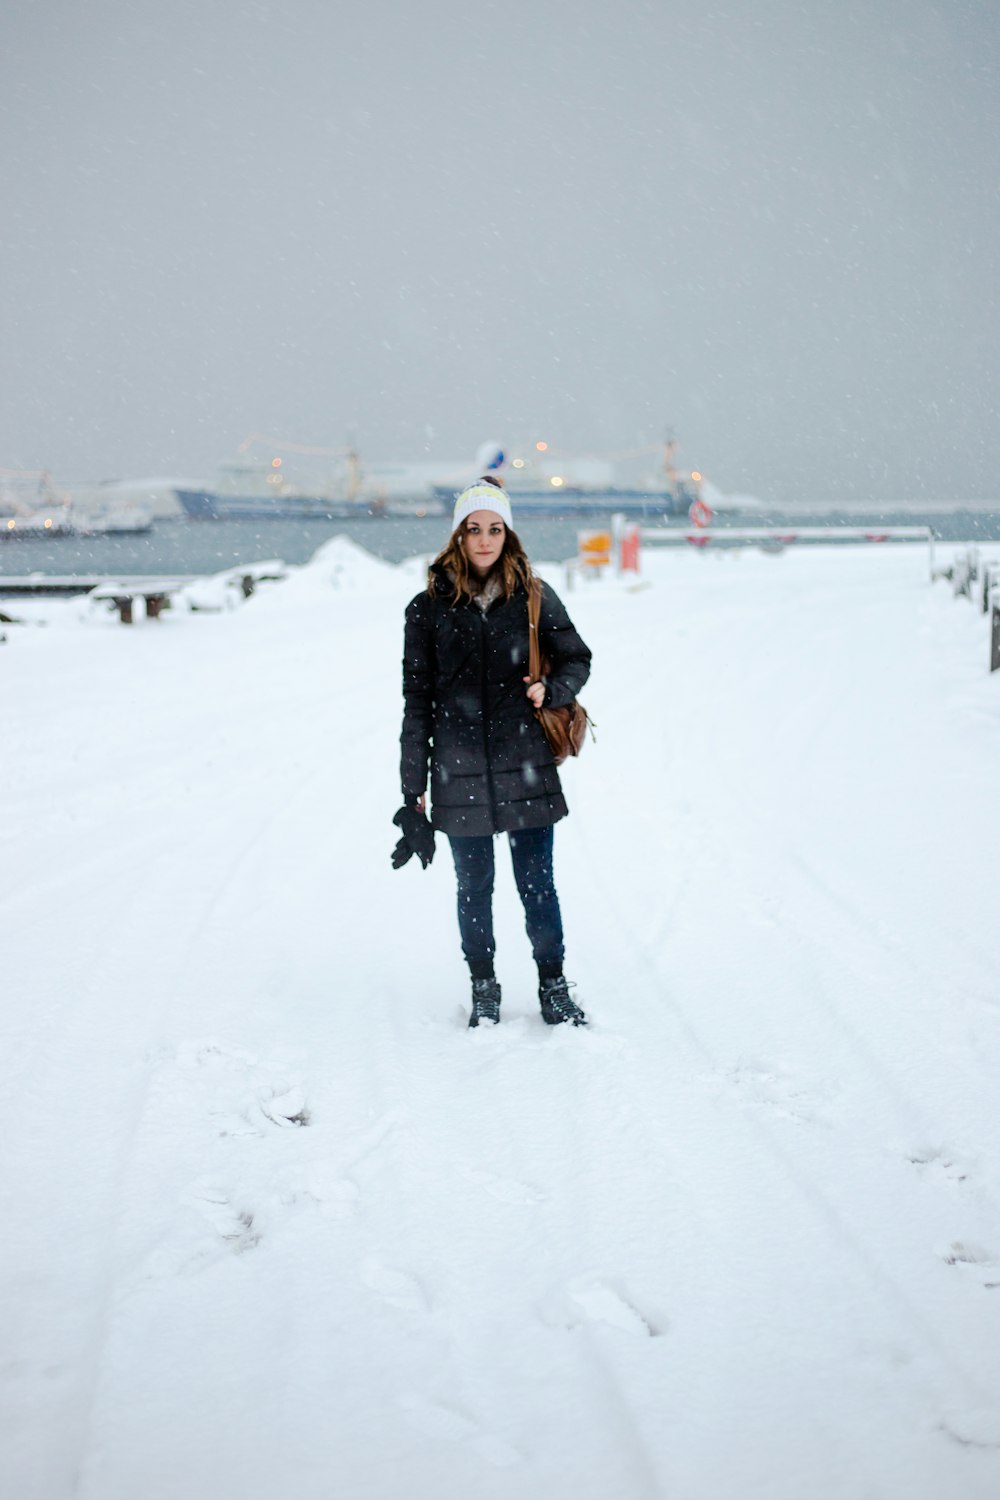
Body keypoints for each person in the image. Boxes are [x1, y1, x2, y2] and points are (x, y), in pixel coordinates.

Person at [392, 476, 592, 1028]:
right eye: (473, 529)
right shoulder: (426, 610)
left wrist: (551, 691)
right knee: (474, 887)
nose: (484, 540)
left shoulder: (533, 596)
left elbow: (577, 658)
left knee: (537, 884)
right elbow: (417, 703)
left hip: (525, 763)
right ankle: (484, 986)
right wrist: (413, 792)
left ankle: (552, 985)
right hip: (458, 772)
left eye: (494, 529)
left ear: (508, 534)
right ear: (458, 535)